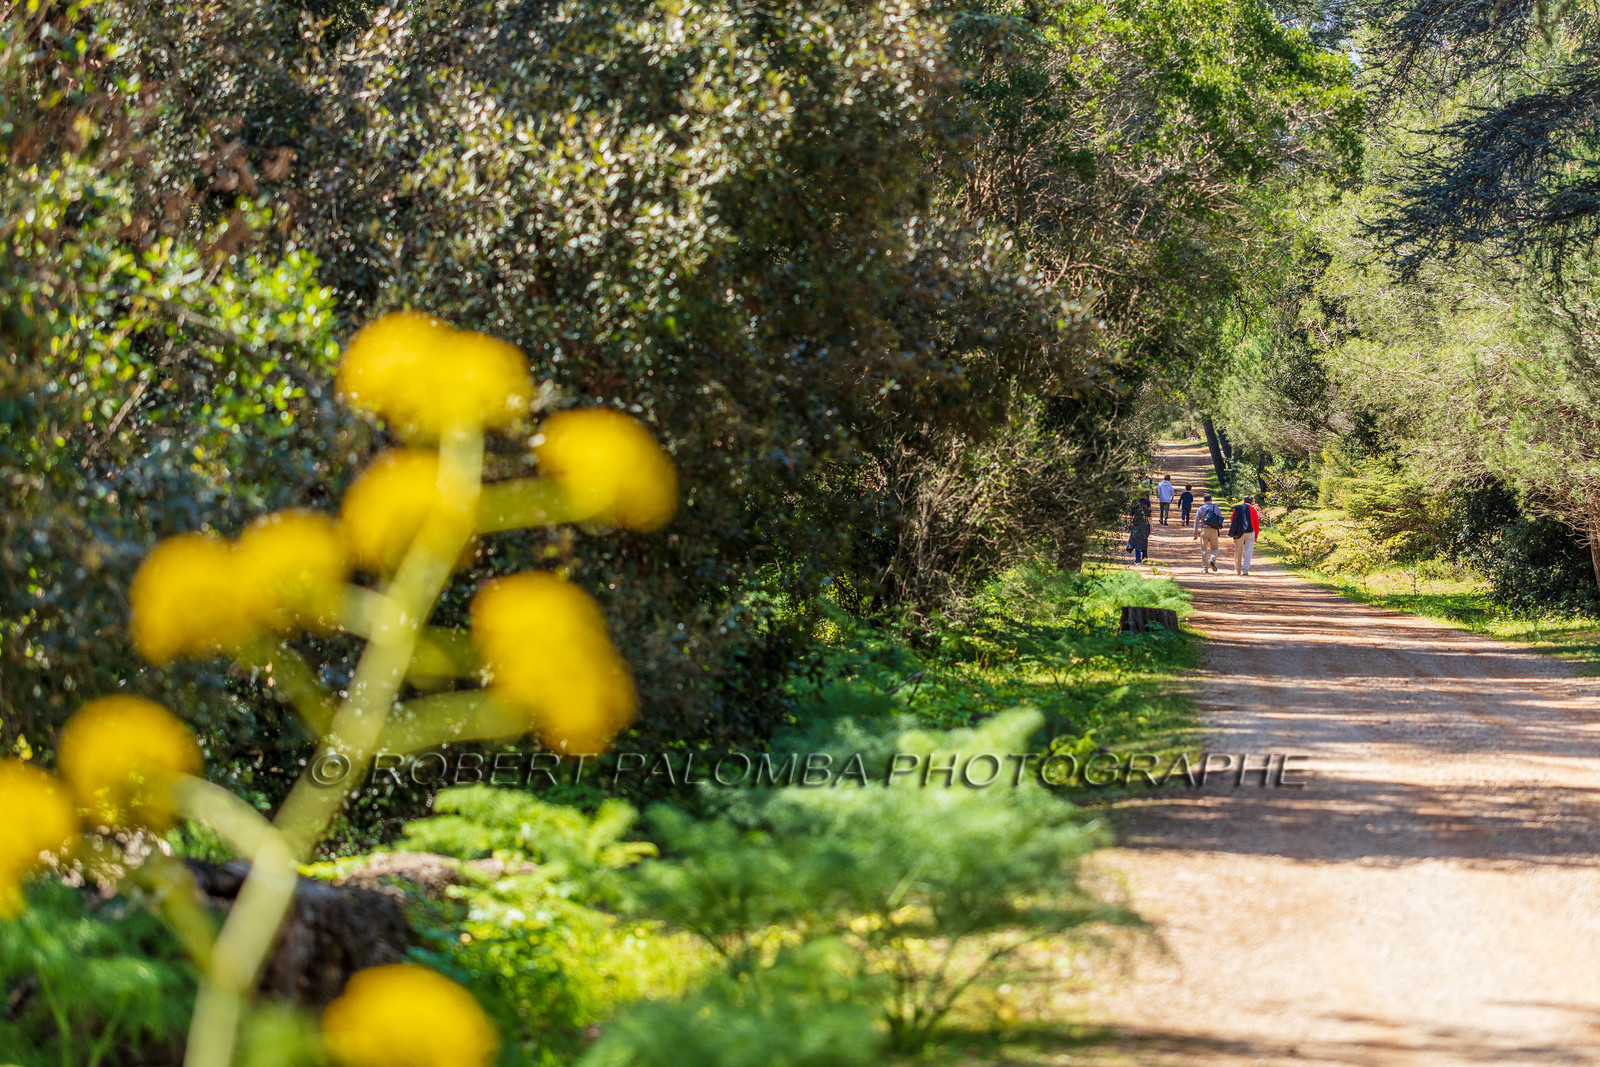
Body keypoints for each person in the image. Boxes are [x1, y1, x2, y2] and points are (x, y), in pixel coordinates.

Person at [1228, 495, 1262, 575]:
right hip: (1250, 532)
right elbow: (1257, 524)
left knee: (1238, 551)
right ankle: (1245, 570)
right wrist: (1256, 536)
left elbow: (1232, 518)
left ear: (1244, 501)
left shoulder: (1238, 508)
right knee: (1248, 552)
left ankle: (1237, 569)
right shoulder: (1253, 510)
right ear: (1251, 502)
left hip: (1239, 532)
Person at [1192, 493, 1224, 572]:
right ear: (1211, 500)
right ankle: (1212, 559)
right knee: (1215, 548)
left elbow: (1196, 521)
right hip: (1214, 530)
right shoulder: (1216, 508)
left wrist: (1195, 532)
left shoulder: (1201, 509)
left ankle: (1205, 568)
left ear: (1203, 500)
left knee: (1203, 550)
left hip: (1204, 530)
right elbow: (1221, 517)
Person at [1126, 498, 1152, 564]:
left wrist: (1130, 523)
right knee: (1144, 540)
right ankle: (1145, 558)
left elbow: (1131, 514)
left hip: (1137, 523)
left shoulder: (1135, 502)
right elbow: (1149, 515)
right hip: (1145, 523)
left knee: (1136, 540)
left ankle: (1138, 559)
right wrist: (1151, 526)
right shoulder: (1147, 502)